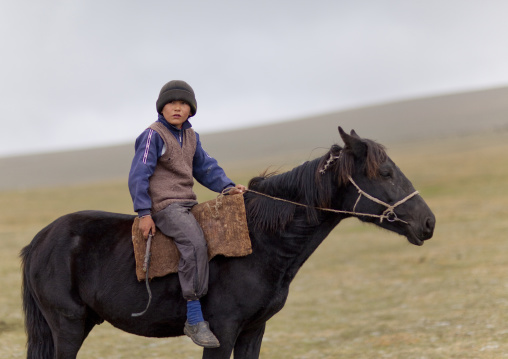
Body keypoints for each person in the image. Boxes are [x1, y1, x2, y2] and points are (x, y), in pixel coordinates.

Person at [128, 80, 245, 348]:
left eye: (183, 104)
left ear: (191, 110)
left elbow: (205, 168)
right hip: (164, 206)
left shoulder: (191, 137)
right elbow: (139, 174)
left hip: (187, 203)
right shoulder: (152, 135)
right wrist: (144, 212)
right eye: (171, 103)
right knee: (194, 243)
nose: (177, 108)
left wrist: (227, 188)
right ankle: (193, 318)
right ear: (162, 108)